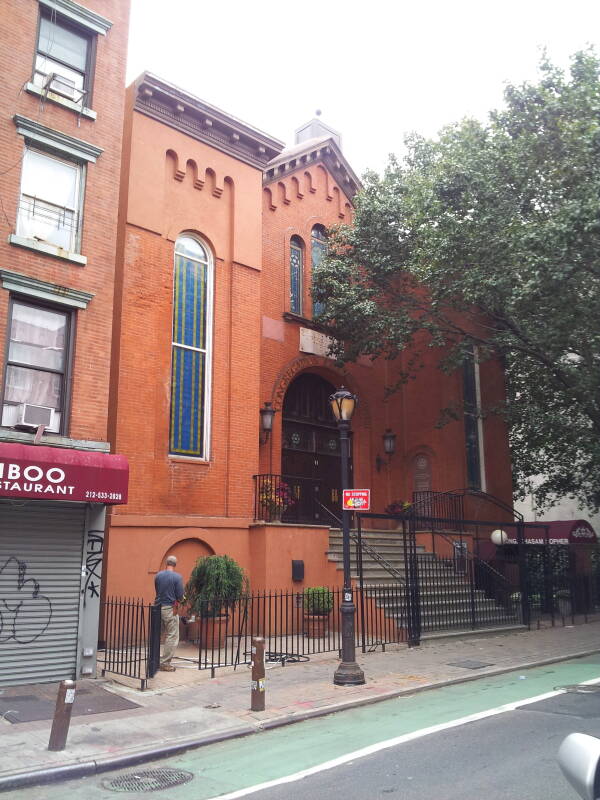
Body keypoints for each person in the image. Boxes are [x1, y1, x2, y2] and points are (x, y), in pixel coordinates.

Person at [154, 554, 184, 671]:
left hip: (157, 607)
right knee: (172, 635)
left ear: (166, 563)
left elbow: (157, 590)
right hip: (169, 608)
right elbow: (180, 596)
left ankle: (154, 660)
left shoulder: (158, 575)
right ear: (175, 565)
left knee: (157, 634)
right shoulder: (177, 577)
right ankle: (165, 663)